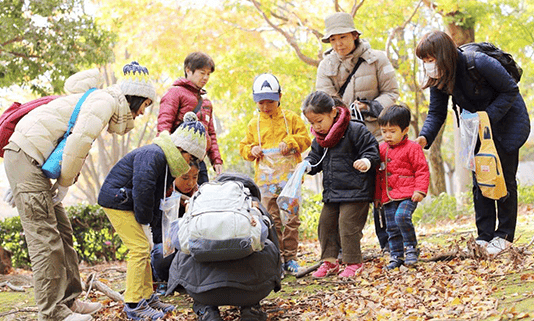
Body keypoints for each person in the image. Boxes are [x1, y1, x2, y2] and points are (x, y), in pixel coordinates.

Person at [2, 61, 156, 321]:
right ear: (135, 99)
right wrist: (62, 185)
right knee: (46, 241)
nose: (143, 112)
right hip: (25, 158)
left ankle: (70, 302)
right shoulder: (104, 102)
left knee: (63, 232)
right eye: (145, 105)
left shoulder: (102, 100)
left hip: (30, 161)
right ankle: (53, 313)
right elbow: (77, 144)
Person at [414, 31, 530, 255]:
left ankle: (504, 235)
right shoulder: (440, 77)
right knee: (481, 179)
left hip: (506, 123)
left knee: (503, 178)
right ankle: (484, 236)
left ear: (444, 54)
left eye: (430, 59)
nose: (428, 65)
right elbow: (436, 113)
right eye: (424, 61)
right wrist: (424, 137)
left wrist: (486, 117)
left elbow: (510, 90)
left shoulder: (477, 62)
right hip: (474, 128)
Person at [98, 112, 207, 320]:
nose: (189, 163)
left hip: (126, 201)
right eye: (191, 158)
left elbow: (157, 195)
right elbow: (143, 188)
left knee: (145, 247)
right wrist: (145, 220)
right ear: (181, 149)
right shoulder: (154, 155)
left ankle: (147, 296)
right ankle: (133, 303)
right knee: (139, 248)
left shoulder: (166, 162)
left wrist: (154, 225)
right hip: (116, 200)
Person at [316, 12, 400, 253]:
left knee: (382, 191)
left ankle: (391, 244)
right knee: (343, 192)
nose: (339, 43)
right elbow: (324, 101)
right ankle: (342, 249)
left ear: (354, 35)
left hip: (376, 134)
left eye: (343, 37)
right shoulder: (326, 66)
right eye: (333, 39)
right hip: (341, 139)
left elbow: (392, 92)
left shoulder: (377, 59)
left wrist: (371, 107)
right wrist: (344, 115)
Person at [166, 172, 282, 321]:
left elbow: (175, 240)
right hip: (250, 290)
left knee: (185, 251)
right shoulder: (253, 207)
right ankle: (251, 308)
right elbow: (275, 249)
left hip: (203, 291)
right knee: (266, 245)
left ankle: (207, 310)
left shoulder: (199, 204)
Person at [301, 91, 379, 278]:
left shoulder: (355, 130)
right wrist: (306, 165)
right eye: (312, 123)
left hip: (357, 191)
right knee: (325, 224)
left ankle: (353, 262)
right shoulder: (320, 139)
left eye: (319, 121)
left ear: (333, 113)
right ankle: (330, 262)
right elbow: (315, 158)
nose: (316, 127)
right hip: (333, 191)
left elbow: (372, 151)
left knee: (347, 225)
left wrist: (366, 162)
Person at [239, 73, 311, 274]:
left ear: (279, 96)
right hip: (266, 181)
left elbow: (306, 138)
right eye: (261, 102)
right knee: (272, 219)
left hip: (290, 181)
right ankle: (277, 259)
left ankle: (291, 258)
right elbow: (244, 146)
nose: (265, 106)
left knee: (291, 218)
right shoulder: (254, 124)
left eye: (270, 101)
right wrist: (251, 150)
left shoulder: (291, 119)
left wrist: (290, 142)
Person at [374, 105, 430, 269]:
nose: (387, 135)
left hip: (408, 194)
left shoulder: (413, 148)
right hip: (388, 196)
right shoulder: (381, 149)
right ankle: (396, 255)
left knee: (402, 217)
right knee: (391, 227)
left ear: (405, 130)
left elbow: (421, 169)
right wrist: (377, 196)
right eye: (384, 131)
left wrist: (420, 190)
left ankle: (411, 248)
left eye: (392, 131)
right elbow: (378, 175)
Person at [157, 51, 223, 185]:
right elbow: (164, 126)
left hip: (199, 161)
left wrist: (216, 160)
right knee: (177, 201)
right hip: (178, 160)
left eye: (208, 74)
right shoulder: (174, 93)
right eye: (202, 72)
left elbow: (210, 134)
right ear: (188, 70)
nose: (205, 77)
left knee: (203, 199)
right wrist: (166, 157)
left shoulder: (206, 103)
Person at [151, 161, 200, 295]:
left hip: (191, 244)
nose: (190, 183)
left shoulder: (200, 195)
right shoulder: (164, 195)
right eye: (185, 178)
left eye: (194, 177)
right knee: (161, 252)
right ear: (174, 176)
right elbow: (156, 233)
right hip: (168, 244)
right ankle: (162, 281)